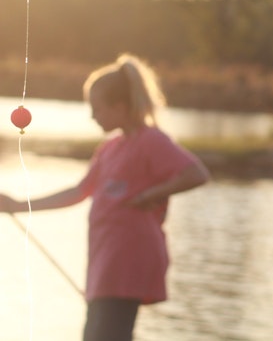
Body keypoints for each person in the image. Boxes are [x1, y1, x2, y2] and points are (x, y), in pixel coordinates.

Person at [0, 54, 210, 341]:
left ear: (120, 107)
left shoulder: (151, 140)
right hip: (105, 265)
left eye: (97, 109)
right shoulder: (110, 148)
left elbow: (196, 173)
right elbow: (78, 191)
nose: (92, 116)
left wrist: (150, 194)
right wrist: (18, 205)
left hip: (129, 265)